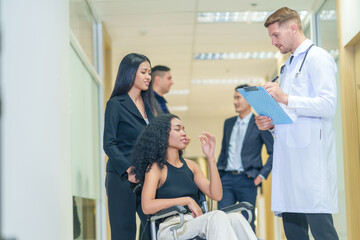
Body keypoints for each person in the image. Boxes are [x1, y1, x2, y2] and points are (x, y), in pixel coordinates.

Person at [255, 7, 339, 240]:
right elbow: (291, 114)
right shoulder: (288, 66)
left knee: (323, 232)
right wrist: (271, 124)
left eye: (275, 35)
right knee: (293, 232)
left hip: (311, 163)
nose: (273, 42)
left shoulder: (318, 58)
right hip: (289, 162)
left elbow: (328, 105)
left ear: (293, 28)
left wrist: (285, 98)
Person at [132, 114, 257, 240]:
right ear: (163, 135)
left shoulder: (192, 166)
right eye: (177, 129)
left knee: (236, 218)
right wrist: (187, 200)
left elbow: (217, 195)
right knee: (217, 216)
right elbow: (147, 206)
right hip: (173, 227)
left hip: (196, 221)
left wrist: (210, 157)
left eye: (184, 129)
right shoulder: (155, 168)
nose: (183, 133)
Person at [103, 53, 156, 240]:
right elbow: (108, 143)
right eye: (144, 72)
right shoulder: (116, 104)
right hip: (121, 179)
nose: (148, 76)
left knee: (154, 230)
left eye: (150, 72)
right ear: (130, 73)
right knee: (124, 233)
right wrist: (128, 168)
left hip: (147, 179)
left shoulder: (150, 106)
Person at [217, 84, 274, 231]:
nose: (235, 101)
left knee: (247, 221)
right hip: (226, 180)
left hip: (248, 179)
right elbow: (224, 152)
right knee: (222, 219)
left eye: (239, 98)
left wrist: (261, 176)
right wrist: (218, 176)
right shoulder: (228, 123)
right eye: (234, 98)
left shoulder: (260, 123)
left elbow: (273, 151)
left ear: (249, 100)